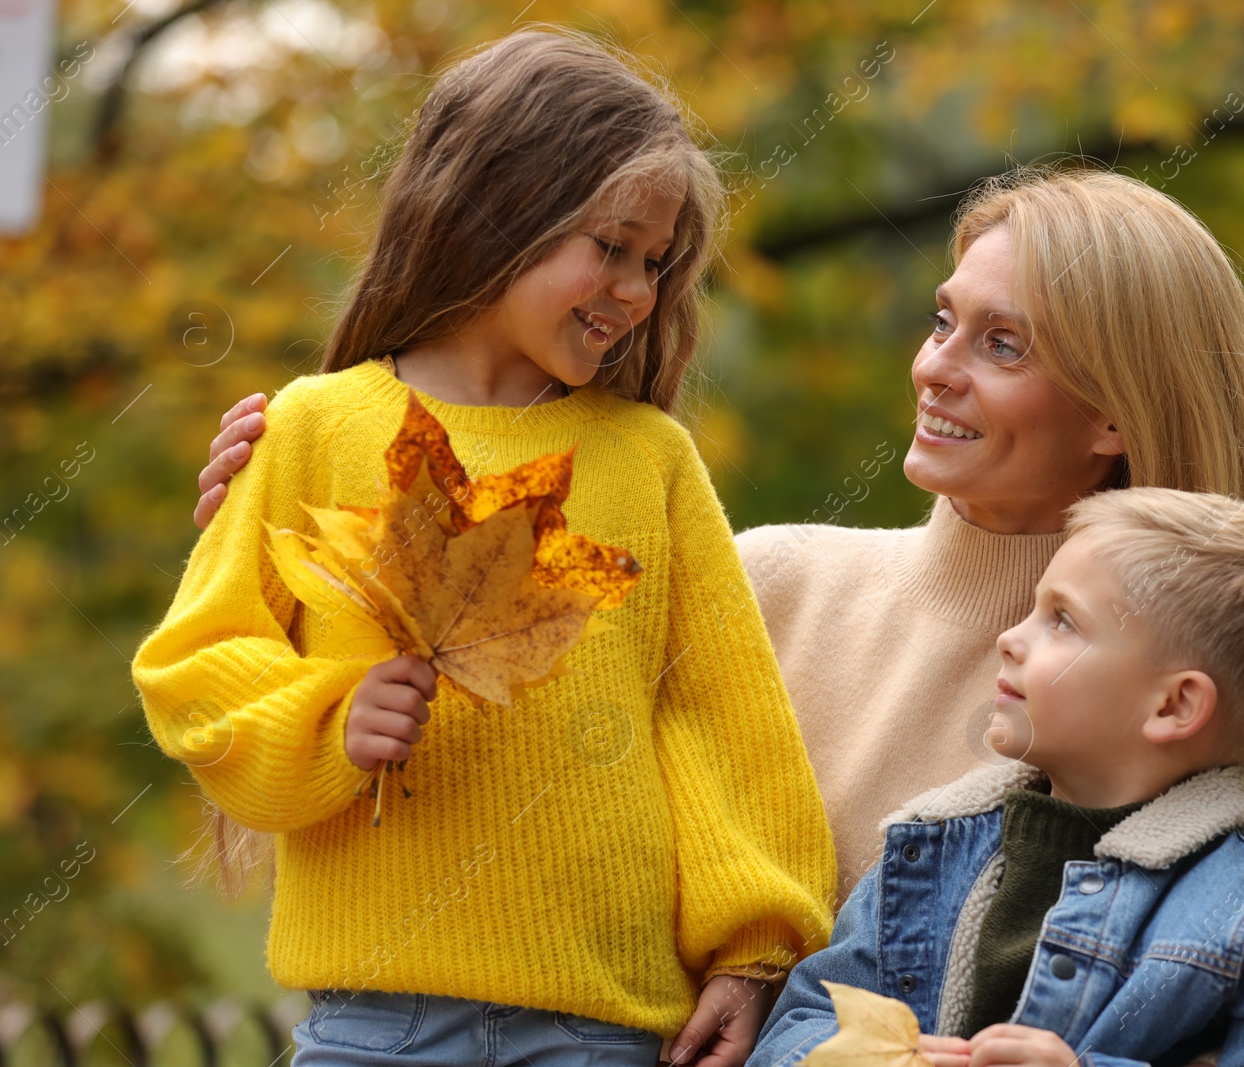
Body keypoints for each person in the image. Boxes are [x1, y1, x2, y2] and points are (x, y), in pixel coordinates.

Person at [190, 169, 1244, 1065]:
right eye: (944, 319)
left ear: (1113, 412)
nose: (934, 364)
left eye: (1001, 344)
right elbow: (471, 764)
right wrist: (281, 538)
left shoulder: (1191, 692)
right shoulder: (762, 579)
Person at [132, 30, 834, 1067]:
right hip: (376, 1019)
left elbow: (716, 715)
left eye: (656, 262)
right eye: (610, 246)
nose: (637, 290)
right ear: (494, 213)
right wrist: (331, 723)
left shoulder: (650, 459)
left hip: (608, 1025)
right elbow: (193, 669)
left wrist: (751, 950)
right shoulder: (316, 427)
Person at [750, 487, 1244, 1067]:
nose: (1010, 638)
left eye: (1062, 621)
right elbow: (802, 1022)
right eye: (1033, 609)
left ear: (1174, 706)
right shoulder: (926, 849)